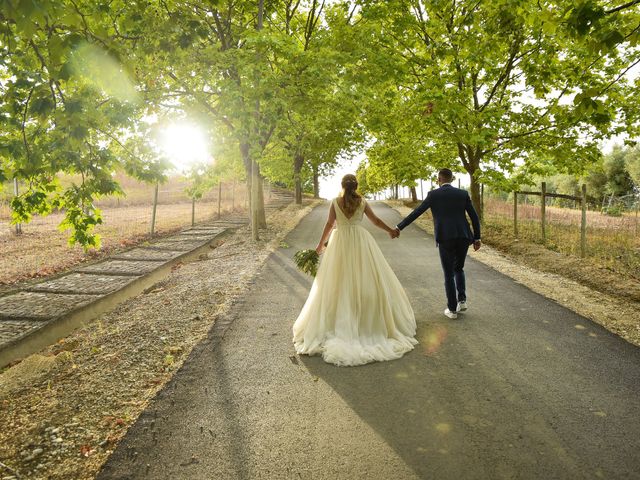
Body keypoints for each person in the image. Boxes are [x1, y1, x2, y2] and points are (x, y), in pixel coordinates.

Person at [293, 174, 417, 367]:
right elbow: (375, 220)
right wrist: (391, 230)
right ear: (356, 185)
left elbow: (329, 225)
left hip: (340, 242)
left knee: (337, 282)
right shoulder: (362, 201)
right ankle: (366, 320)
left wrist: (319, 247)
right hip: (360, 241)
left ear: (341, 185)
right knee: (366, 279)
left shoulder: (335, 202)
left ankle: (341, 319)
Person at [393, 168, 481, 320]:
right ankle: (462, 300)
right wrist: (477, 238)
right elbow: (474, 217)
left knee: (448, 273)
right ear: (451, 179)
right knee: (459, 268)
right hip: (464, 236)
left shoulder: (433, 195)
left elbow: (417, 212)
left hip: (446, 237)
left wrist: (399, 227)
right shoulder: (462, 194)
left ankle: (452, 310)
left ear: (439, 179)